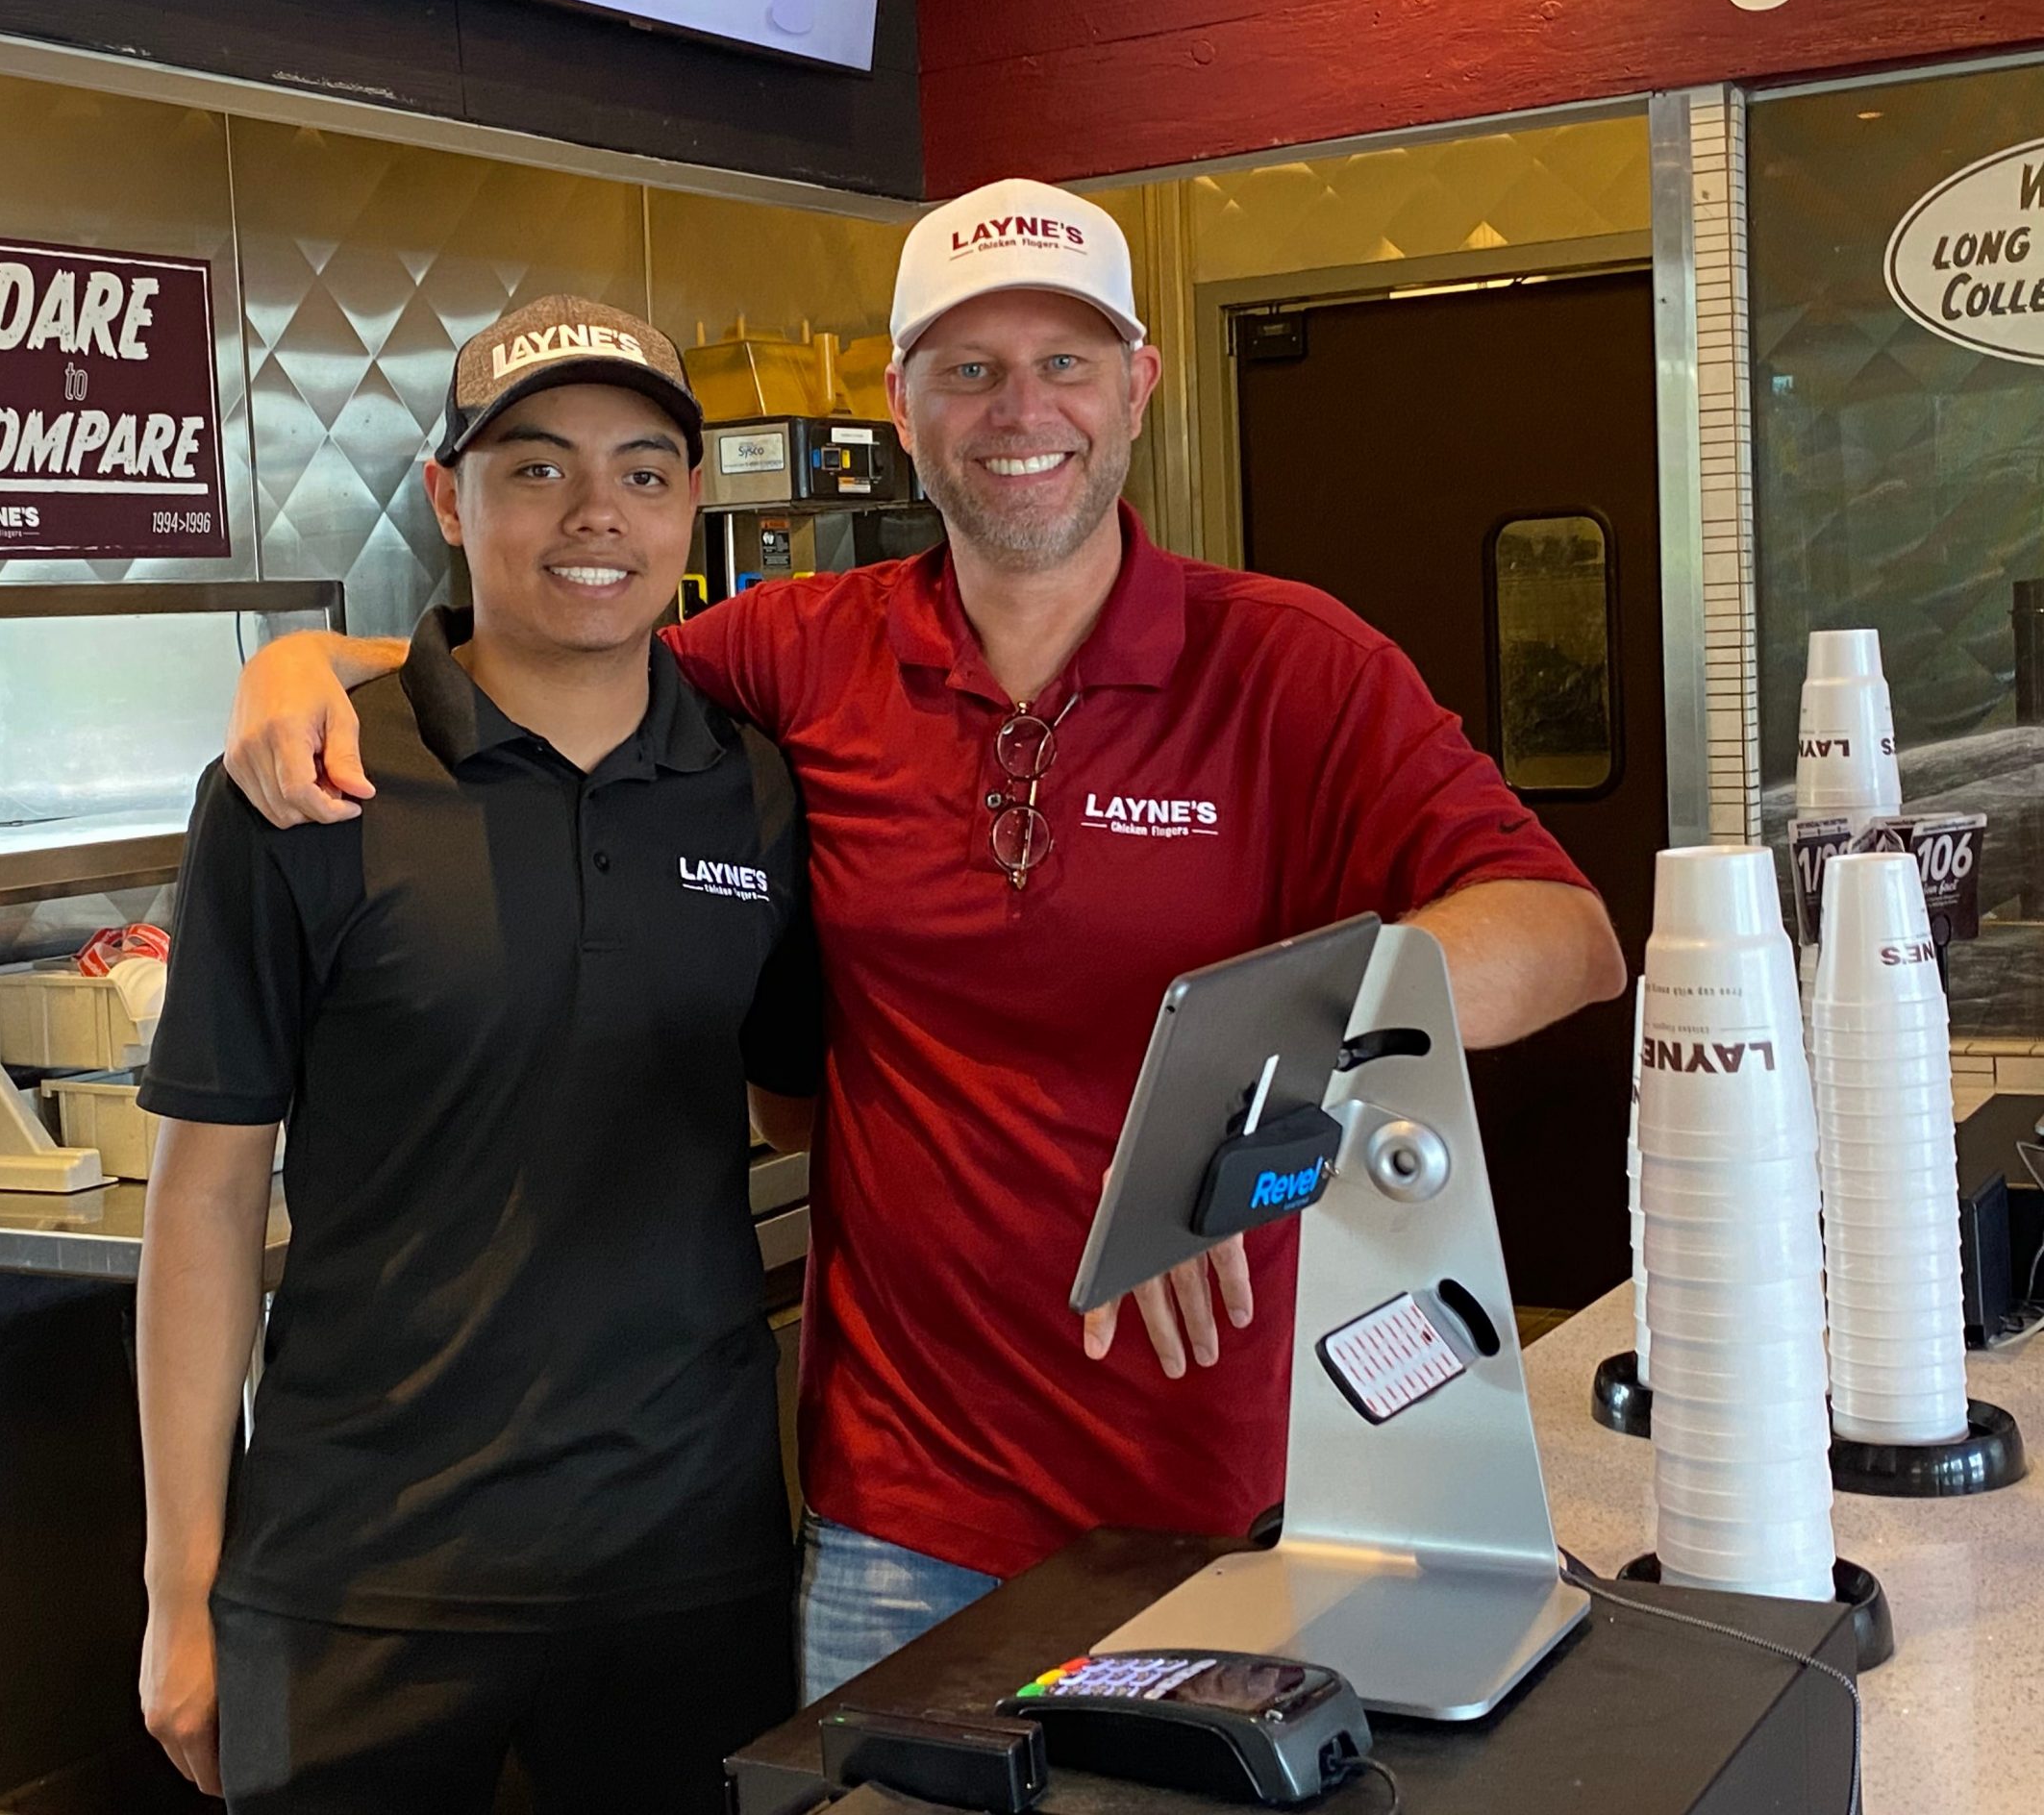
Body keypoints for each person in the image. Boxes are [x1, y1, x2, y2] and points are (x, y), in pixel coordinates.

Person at [216, 179, 1630, 1700]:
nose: (1021, 408)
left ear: (1138, 386)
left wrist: (1269, 1068)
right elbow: (554, 641)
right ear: (902, 406)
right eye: (967, 369)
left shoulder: (1290, 664)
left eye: (1065, 362)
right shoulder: (802, 647)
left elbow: (1563, 933)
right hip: (902, 1517)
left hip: (1221, 1496)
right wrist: (304, 657)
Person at [133, 295, 822, 1812]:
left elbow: (801, 1102)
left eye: (645, 472)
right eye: (534, 469)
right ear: (449, 497)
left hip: (683, 1569)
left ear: (692, 507)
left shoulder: (757, 793)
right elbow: (203, 1198)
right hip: (358, 1573)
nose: (596, 514)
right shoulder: (305, 786)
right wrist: (182, 1587)